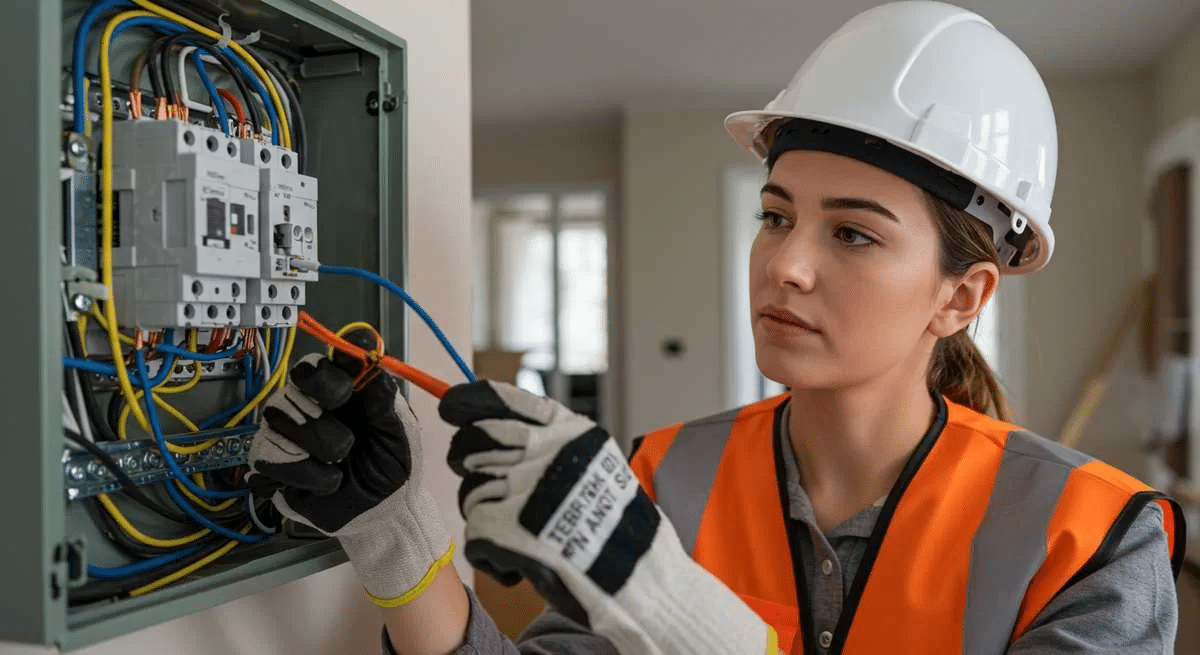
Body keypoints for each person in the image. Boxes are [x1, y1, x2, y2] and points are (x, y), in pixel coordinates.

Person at [247, 1, 1186, 654]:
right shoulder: (666, 478)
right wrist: (398, 544)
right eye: (776, 215)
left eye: (853, 232)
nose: (787, 263)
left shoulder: (1093, 539)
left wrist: (658, 595)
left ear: (963, 295)